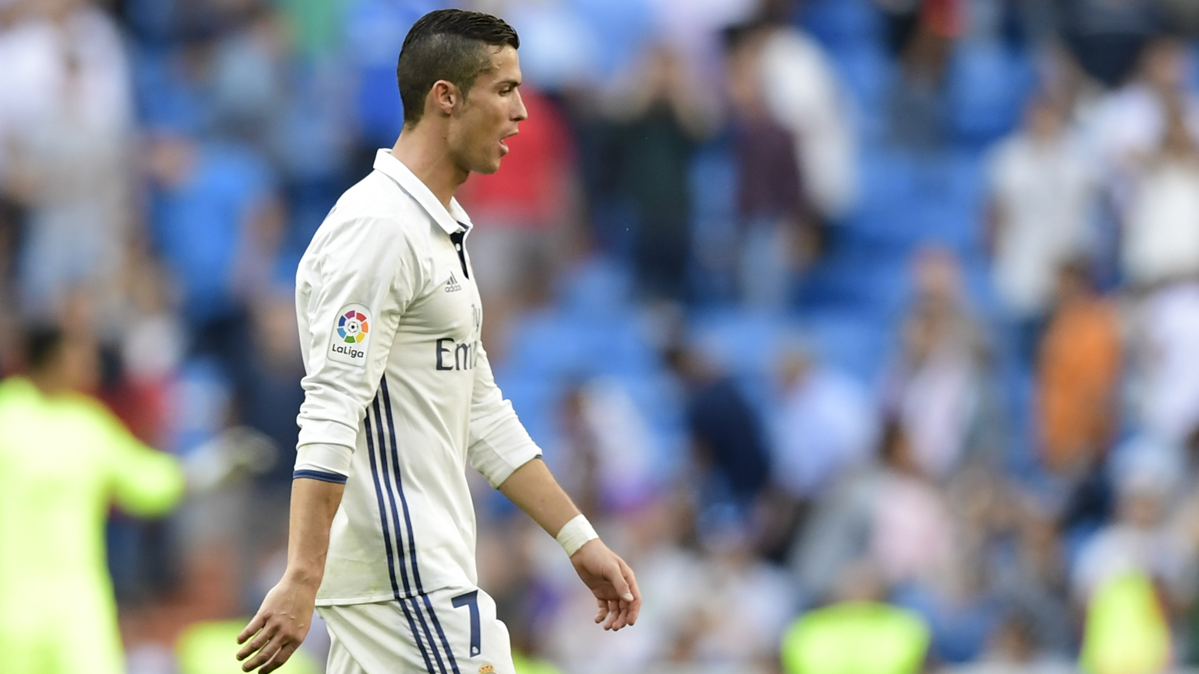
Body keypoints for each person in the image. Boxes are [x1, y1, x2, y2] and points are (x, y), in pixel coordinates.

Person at [236, 10, 641, 674]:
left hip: (404, 582)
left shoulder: (435, 231)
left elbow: (480, 410)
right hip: (409, 583)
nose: (521, 113)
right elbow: (333, 406)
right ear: (444, 98)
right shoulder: (379, 229)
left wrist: (577, 538)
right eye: (504, 89)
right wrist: (301, 575)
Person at [0, 324, 186, 674]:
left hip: (74, 605)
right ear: (53, 358)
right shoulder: (9, 416)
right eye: (78, 352)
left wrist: (196, 474)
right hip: (14, 609)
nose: (90, 362)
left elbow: (145, 482)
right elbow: (148, 483)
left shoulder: (87, 423)